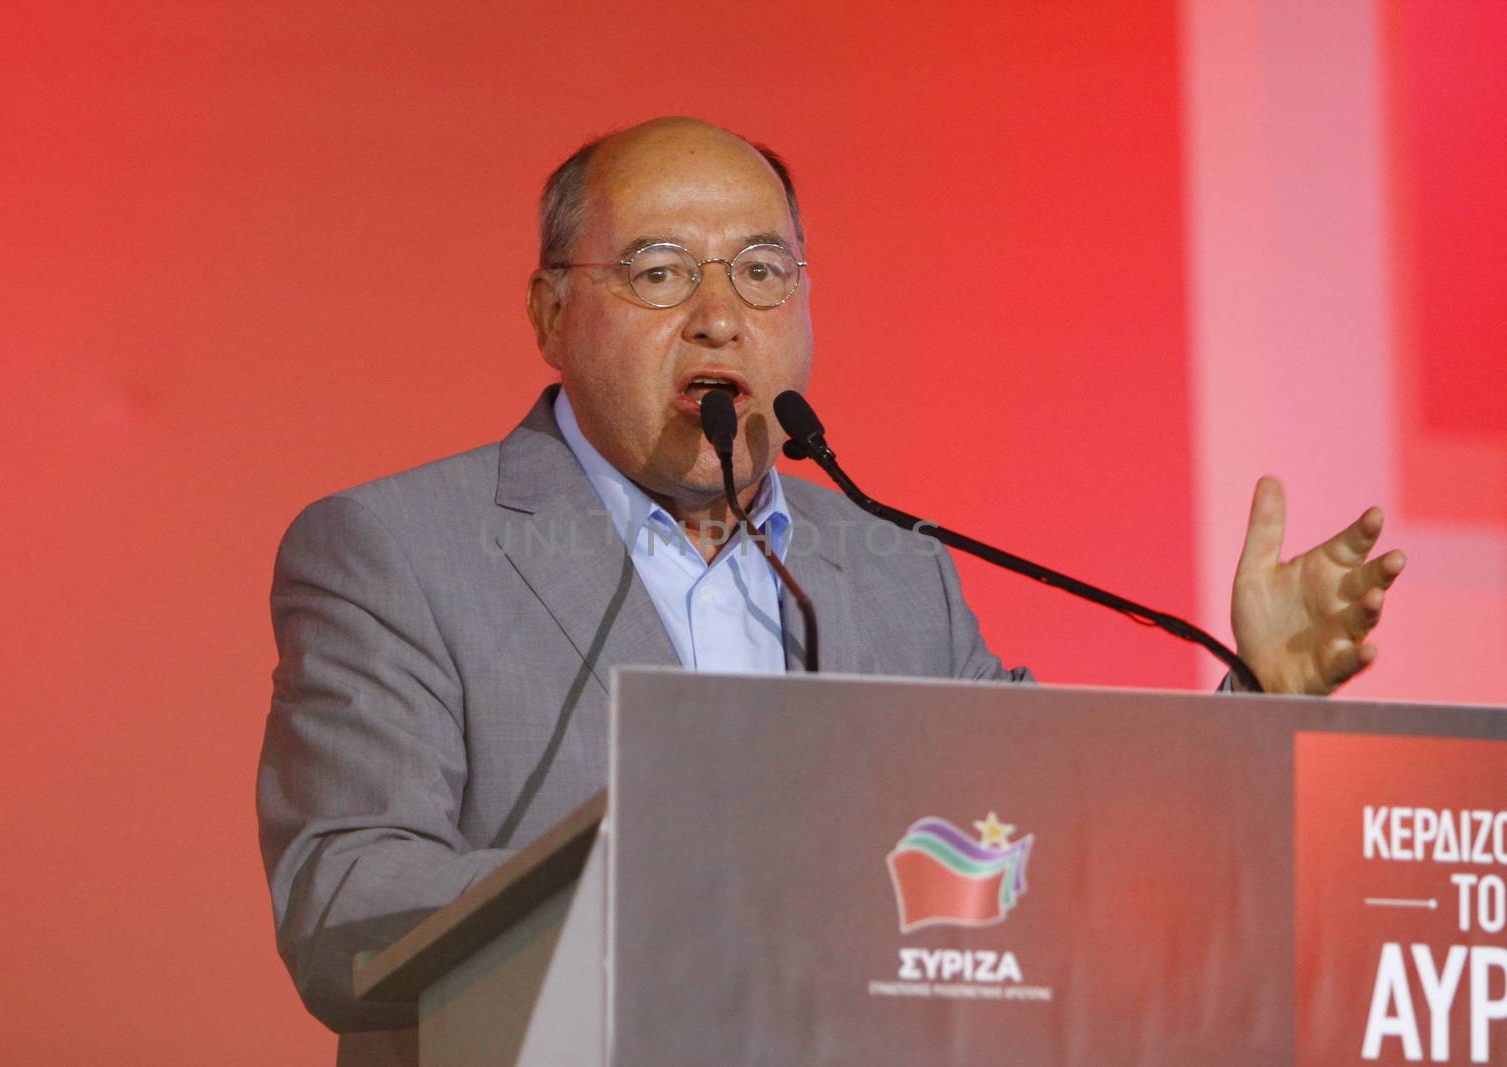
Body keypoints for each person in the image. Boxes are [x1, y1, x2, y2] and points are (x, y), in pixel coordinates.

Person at [257, 117, 1405, 1058]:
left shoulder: (897, 574)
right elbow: (347, 899)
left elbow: (1059, 851)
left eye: (763, 272)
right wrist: (679, 884)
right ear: (552, 312)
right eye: (659, 272)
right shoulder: (397, 548)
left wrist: (1257, 698)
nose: (720, 313)